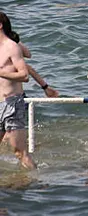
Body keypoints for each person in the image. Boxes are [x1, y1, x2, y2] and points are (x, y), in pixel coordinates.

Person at [0, 11, 35, 167]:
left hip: (12, 104)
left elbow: (24, 75)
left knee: (20, 153)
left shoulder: (12, 47)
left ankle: (36, 182)